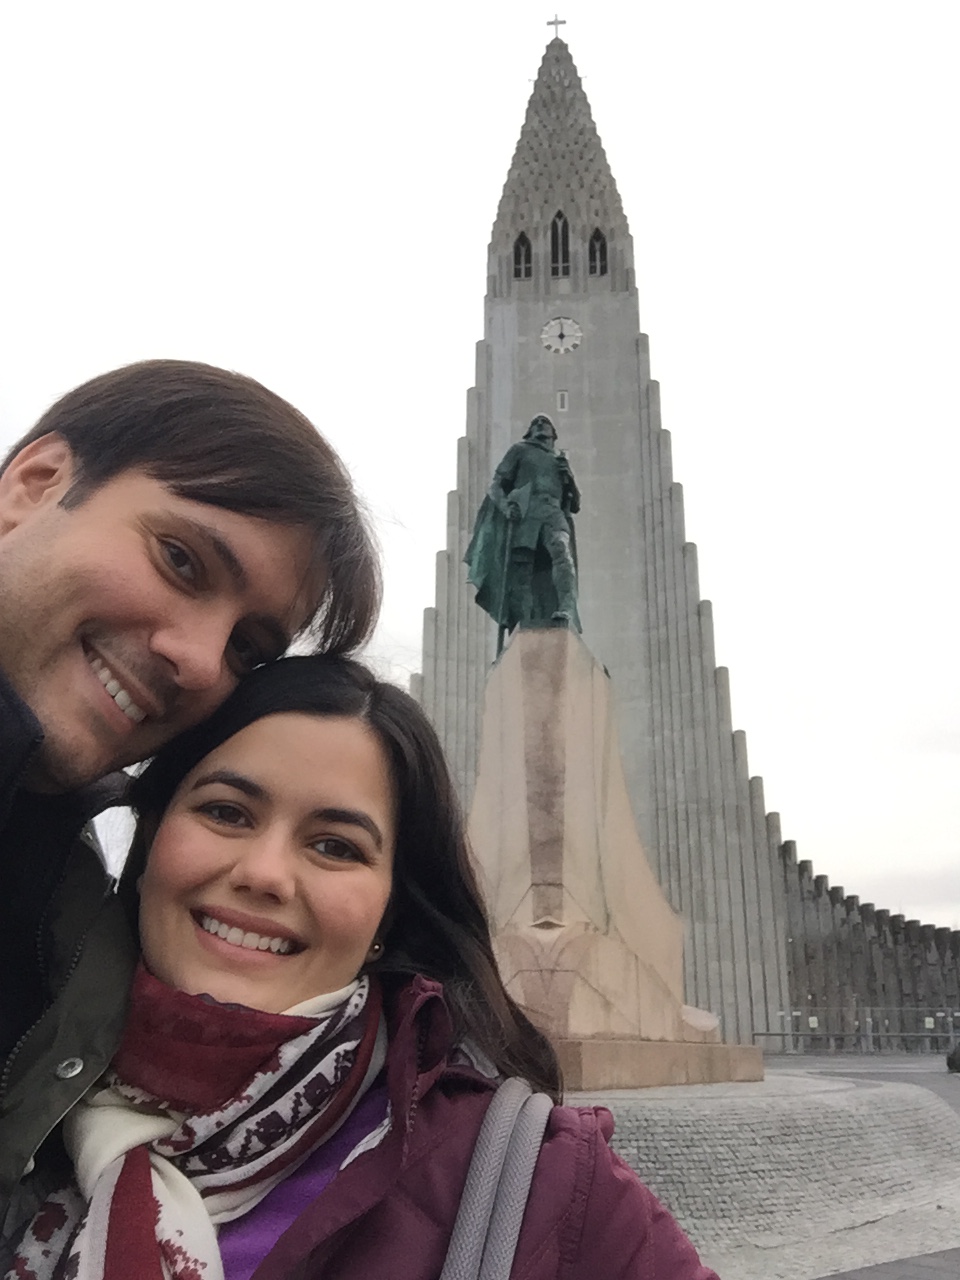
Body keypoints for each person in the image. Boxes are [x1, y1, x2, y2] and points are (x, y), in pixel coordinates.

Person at [4, 656, 719, 1280]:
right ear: (153, 836)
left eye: (336, 847)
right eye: (227, 812)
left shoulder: (552, 1185)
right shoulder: (24, 1093)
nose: (265, 874)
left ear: (388, 913)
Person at [0, 360, 380, 1214]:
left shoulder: (74, 922)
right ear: (35, 483)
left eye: (248, 648)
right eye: (181, 560)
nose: (203, 662)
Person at [465, 414, 581, 651]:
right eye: (535, 423)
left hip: (553, 514)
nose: (539, 424)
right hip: (527, 516)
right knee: (522, 571)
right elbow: (496, 485)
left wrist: (569, 478)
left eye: (544, 422)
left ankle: (566, 607)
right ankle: (521, 622)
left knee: (561, 552)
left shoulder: (560, 461)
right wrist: (506, 506)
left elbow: (575, 504)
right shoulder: (520, 450)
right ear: (529, 431)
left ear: (553, 433)